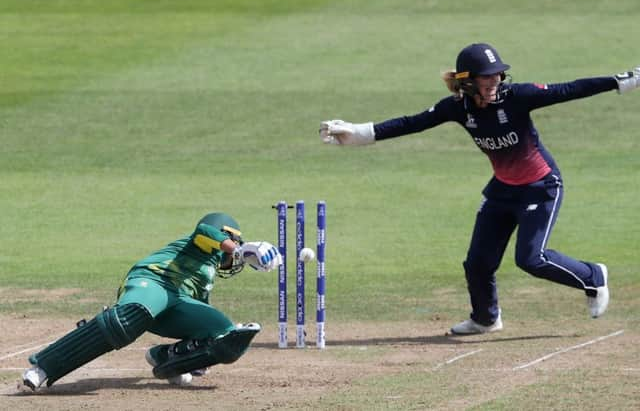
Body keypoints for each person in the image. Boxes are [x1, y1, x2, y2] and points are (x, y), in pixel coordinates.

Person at [320, 43, 640, 335]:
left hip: (541, 186)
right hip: (502, 189)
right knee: (477, 263)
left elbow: (569, 89)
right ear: (467, 81)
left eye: (497, 74)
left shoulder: (518, 97)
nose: (495, 81)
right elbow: (411, 123)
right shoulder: (458, 108)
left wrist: (618, 81)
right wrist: (358, 133)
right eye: (486, 77)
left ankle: (592, 277)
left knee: (531, 258)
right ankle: (486, 317)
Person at [22, 212, 282, 390]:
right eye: (236, 242)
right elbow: (205, 231)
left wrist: (201, 355)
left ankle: (163, 359)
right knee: (126, 322)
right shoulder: (200, 242)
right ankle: (44, 366)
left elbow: (202, 314)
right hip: (153, 282)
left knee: (226, 335)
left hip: (175, 303)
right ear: (226, 235)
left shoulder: (210, 272)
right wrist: (237, 249)